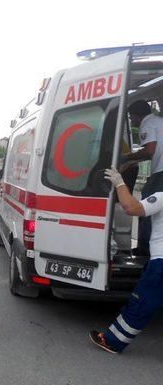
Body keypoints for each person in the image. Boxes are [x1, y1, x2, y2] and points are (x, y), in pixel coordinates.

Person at [90, 168, 163, 353]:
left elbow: (131, 208)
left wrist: (120, 183)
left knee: (142, 303)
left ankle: (113, 341)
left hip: (160, 264)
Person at [119, 101, 163, 256]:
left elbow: (149, 150)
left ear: (138, 115)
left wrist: (126, 157)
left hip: (160, 172)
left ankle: (145, 250)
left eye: (131, 117)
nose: (132, 120)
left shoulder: (147, 123)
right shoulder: (159, 121)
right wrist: (134, 160)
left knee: (146, 208)